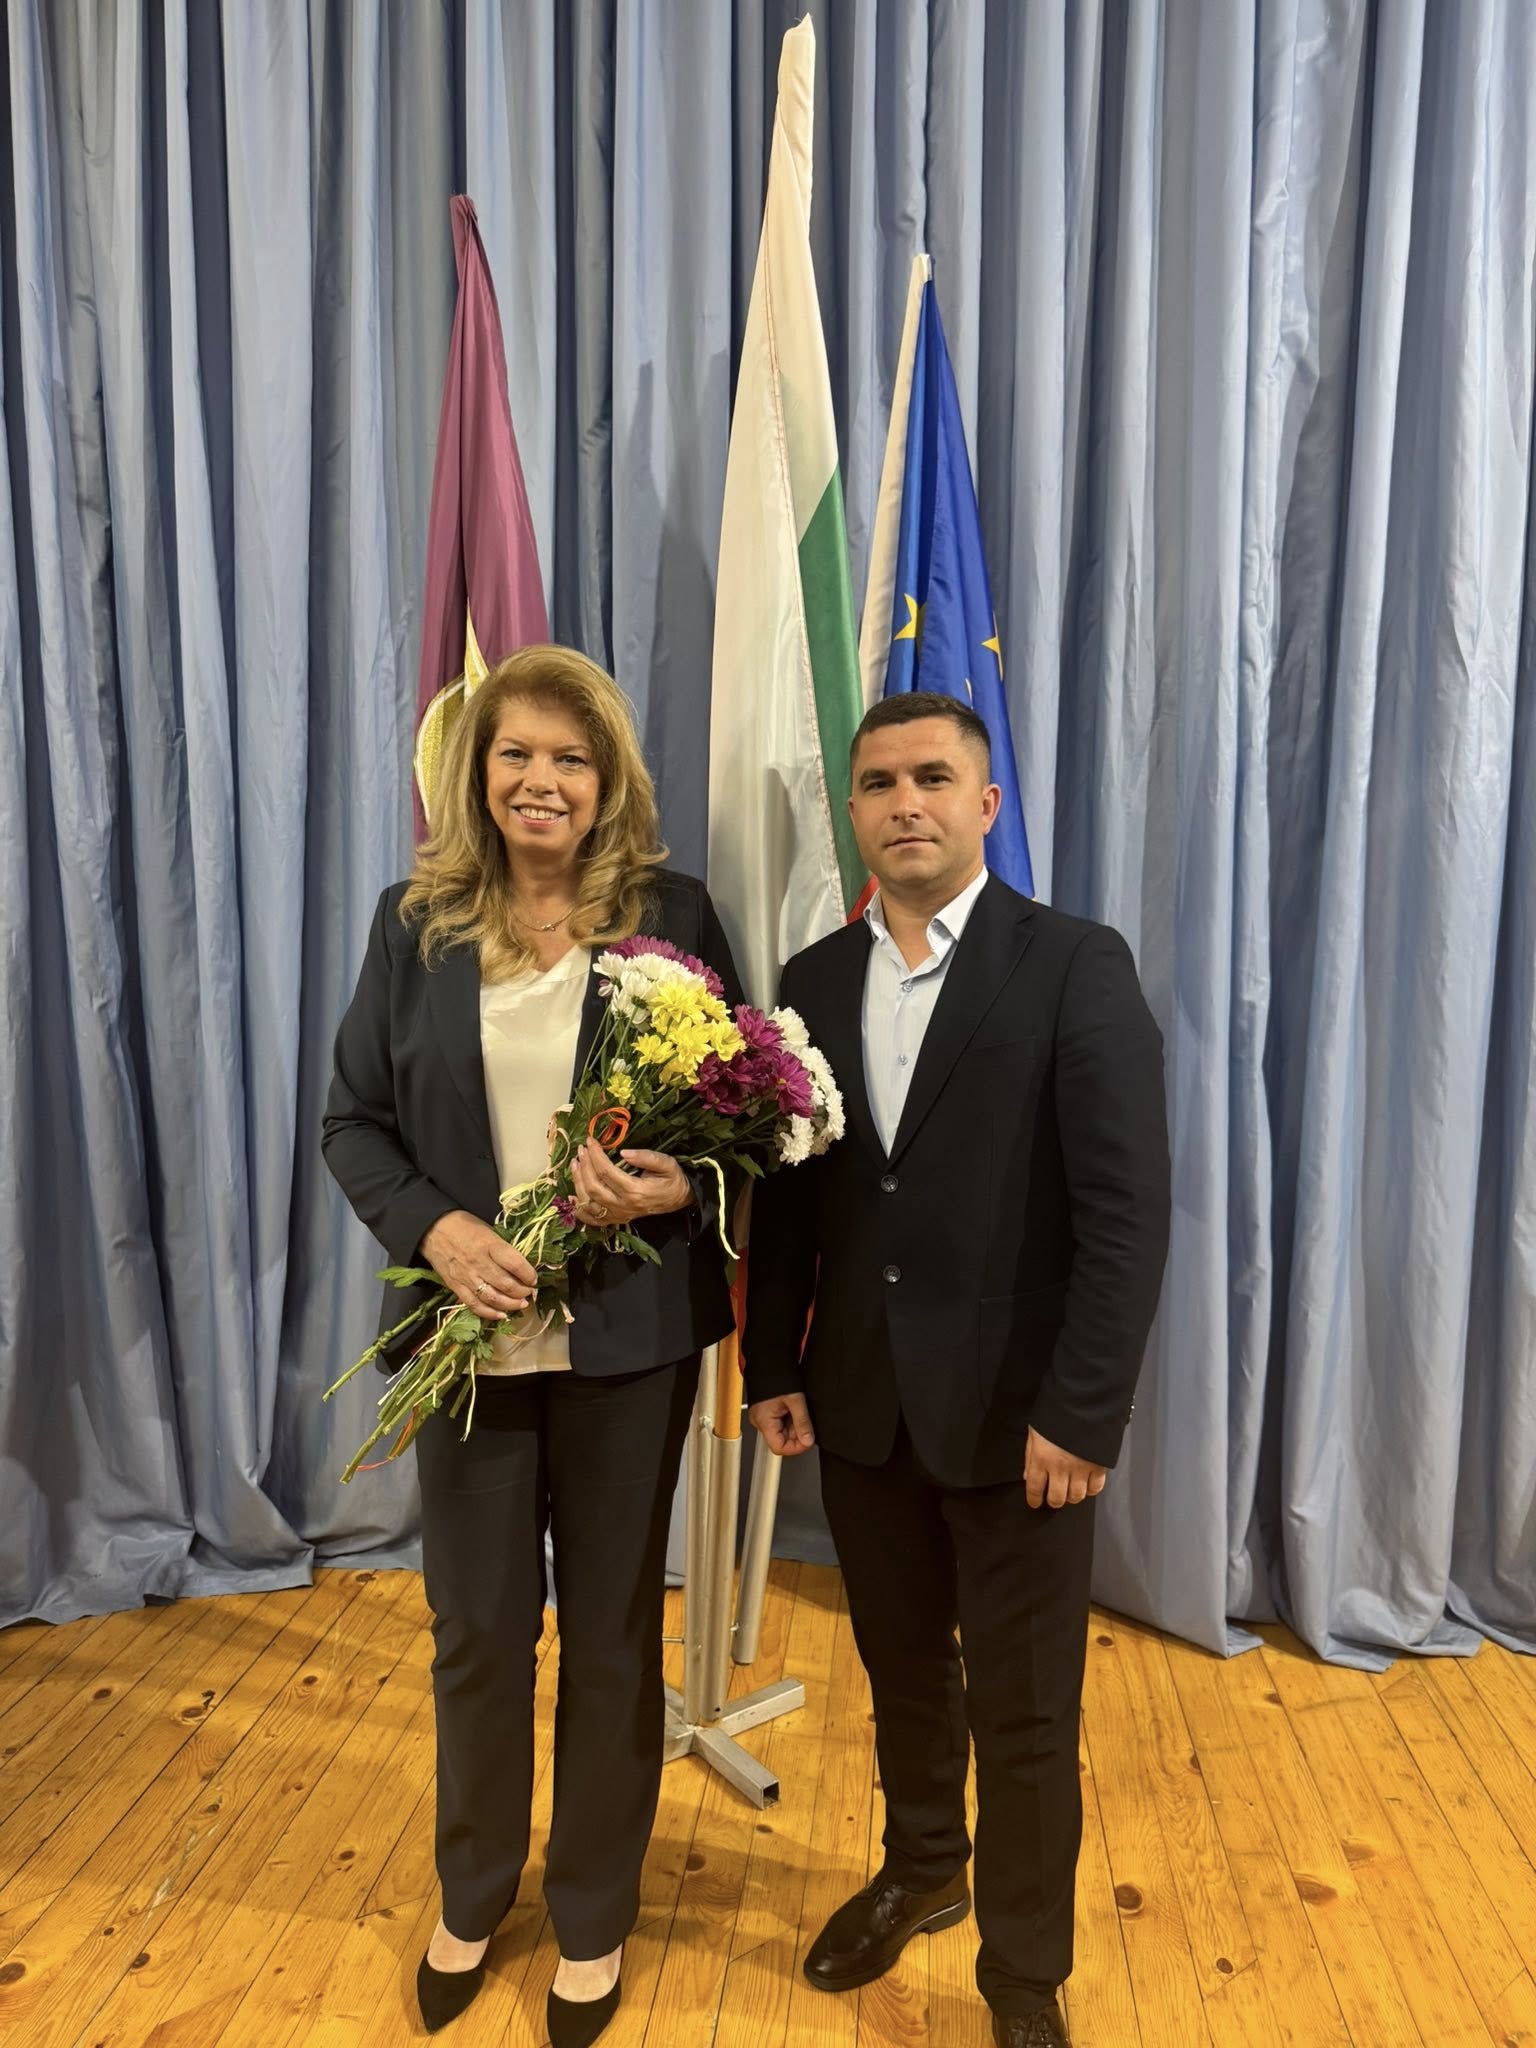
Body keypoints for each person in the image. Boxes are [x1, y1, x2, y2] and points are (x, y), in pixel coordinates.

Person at [322, 645, 743, 2047]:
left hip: (628, 1344)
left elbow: (742, 1119)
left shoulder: (673, 917)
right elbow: (352, 1122)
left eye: (570, 757)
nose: (541, 780)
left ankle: (594, 1913)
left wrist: (677, 1187)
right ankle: (473, 1890)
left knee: (613, 1635)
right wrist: (437, 1229)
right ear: (476, 771)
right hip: (470, 1342)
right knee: (479, 1633)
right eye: (516, 754)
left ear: (608, 777)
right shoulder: (415, 927)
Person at [744, 692, 1170, 2048]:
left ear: (986, 805)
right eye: (879, 783)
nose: (906, 803)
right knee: (903, 1672)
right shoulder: (811, 981)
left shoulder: (1074, 964)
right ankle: (926, 1866)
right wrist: (773, 1360)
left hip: (1022, 1426)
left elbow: (1126, 1213)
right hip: (863, 1409)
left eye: (933, 778)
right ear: (855, 811)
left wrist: (1084, 1412)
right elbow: (793, 1198)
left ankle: (1023, 1976)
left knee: (1027, 1712)